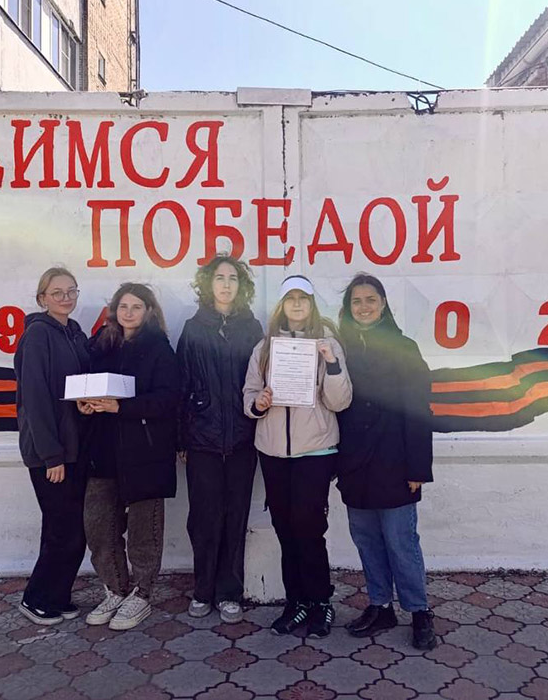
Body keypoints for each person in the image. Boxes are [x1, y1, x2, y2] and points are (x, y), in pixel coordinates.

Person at [243, 275, 352, 638]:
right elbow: (249, 394)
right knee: (285, 528)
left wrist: (331, 363)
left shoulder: (328, 344)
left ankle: (321, 601)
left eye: (302, 298)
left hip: (315, 451)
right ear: (281, 305)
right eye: (290, 298)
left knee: (309, 528)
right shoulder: (264, 348)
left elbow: (340, 401)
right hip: (273, 451)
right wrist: (258, 403)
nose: (296, 304)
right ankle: (296, 602)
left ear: (311, 303)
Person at [335, 274, 436, 650]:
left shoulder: (404, 347)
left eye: (370, 300)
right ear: (348, 308)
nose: (363, 307)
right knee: (367, 540)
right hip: (354, 464)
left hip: (395, 463)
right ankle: (380, 605)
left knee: (400, 541)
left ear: (383, 305)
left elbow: (419, 409)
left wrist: (418, 468)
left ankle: (419, 611)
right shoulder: (340, 349)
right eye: (356, 301)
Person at [82, 283, 181, 631]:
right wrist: (85, 404)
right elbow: (87, 384)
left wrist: (121, 407)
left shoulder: (160, 349)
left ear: (149, 311)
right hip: (103, 448)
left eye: (136, 306)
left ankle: (141, 593)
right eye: (123, 306)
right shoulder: (101, 344)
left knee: (144, 530)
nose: (128, 313)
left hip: (145, 451)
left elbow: (167, 400)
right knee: (99, 526)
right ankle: (115, 589)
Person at [178, 255, 264, 623]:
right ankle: (203, 590)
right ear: (208, 285)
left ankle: (230, 592)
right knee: (203, 517)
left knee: (235, 514)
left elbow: (261, 380)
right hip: (203, 440)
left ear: (241, 286)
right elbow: (181, 384)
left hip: (243, 438)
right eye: (219, 278)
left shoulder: (252, 328)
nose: (226, 284)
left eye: (232, 278)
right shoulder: (193, 328)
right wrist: (181, 439)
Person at [14, 267, 91, 626]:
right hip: (51, 454)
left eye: (71, 290)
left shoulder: (75, 333)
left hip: (74, 448)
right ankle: (36, 598)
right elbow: (36, 399)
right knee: (62, 530)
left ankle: (58, 596)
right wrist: (51, 456)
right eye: (56, 292)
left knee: (72, 528)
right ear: (42, 298)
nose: (65, 298)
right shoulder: (37, 336)